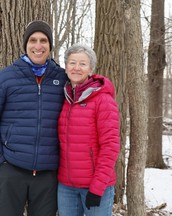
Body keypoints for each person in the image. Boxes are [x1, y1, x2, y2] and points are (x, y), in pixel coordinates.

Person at [0, 20, 67, 216]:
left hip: (48, 172)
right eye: (33, 40)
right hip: (12, 168)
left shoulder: (62, 79)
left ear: (50, 46)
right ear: (25, 44)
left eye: (44, 40)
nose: (38, 46)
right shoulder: (4, 78)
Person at [57, 43, 120, 216]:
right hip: (66, 186)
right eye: (72, 62)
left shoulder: (103, 100)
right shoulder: (64, 98)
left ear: (91, 69)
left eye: (83, 64)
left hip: (95, 186)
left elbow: (110, 146)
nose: (76, 68)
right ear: (66, 67)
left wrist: (97, 187)